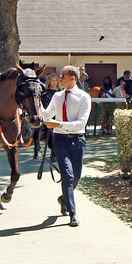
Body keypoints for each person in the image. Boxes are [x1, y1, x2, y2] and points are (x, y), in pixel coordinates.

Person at [42, 66, 91, 227]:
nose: (60, 78)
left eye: (63, 75)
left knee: (76, 175)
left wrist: (59, 123)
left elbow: (81, 124)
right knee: (68, 175)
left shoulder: (84, 97)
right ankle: (73, 213)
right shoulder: (57, 96)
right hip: (60, 140)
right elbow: (46, 115)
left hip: (77, 140)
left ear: (73, 78)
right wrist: (35, 103)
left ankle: (64, 199)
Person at [34, 73, 60, 160]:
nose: (54, 83)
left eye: (55, 80)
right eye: (52, 81)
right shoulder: (44, 93)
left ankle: (55, 153)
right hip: (47, 117)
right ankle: (51, 150)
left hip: (58, 117)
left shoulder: (60, 93)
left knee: (56, 136)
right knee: (48, 136)